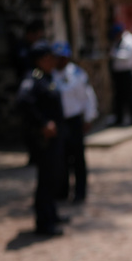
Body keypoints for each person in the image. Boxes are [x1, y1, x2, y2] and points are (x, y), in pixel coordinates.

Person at [16, 41, 67, 236]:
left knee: (54, 177)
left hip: (55, 138)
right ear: (41, 60)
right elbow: (23, 102)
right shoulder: (33, 78)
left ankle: (52, 215)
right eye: (50, 58)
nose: (53, 61)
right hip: (44, 140)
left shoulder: (47, 77)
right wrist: (43, 123)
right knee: (46, 180)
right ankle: (43, 223)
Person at [51, 41, 98, 203]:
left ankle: (80, 192)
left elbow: (88, 97)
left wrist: (88, 117)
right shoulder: (50, 75)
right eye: (57, 57)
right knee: (61, 158)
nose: (60, 61)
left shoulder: (77, 74)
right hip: (58, 122)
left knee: (78, 159)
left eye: (62, 57)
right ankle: (62, 191)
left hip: (74, 121)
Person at [108, 22, 132, 126]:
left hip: (127, 72)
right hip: (117, 73)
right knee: (118, 97)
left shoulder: (130, 40)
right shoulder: (117, 41)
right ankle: (119, 119)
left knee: (129, 96)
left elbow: (127, 56)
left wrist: (114, 54)